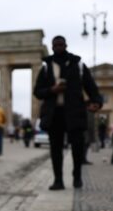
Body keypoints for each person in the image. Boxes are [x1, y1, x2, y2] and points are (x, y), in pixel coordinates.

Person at [33, 35, 103, 190]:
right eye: (55, 45)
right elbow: (37, 91)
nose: (58, 47)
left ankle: (77, 176)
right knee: (55, 148)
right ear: (52, 47)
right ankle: (58, 180)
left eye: (60, 44)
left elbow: (90, 86)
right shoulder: (46, 67)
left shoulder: (78, 65)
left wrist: (97, 101)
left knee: (78, 147)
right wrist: (52, 90)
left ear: (66, 45)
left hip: (74, 111)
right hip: (54, 113)